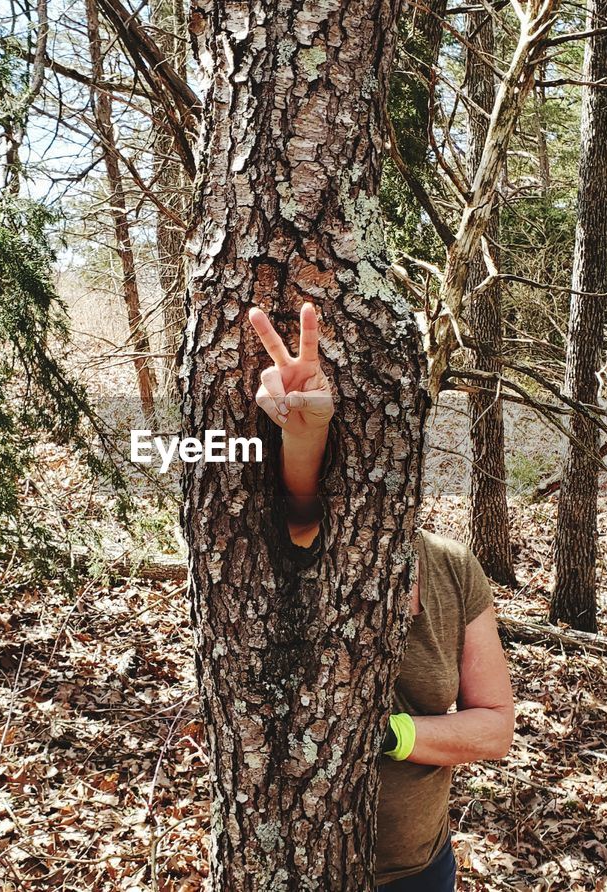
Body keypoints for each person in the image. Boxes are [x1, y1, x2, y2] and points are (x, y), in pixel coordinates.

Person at [247, 302, 516, 890]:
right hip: (302, 869)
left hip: (421, 867)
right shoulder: (303, 540)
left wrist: (392, 735)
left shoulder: (452, 566)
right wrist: (307, 433)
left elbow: (495, 728)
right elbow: (299, 511)